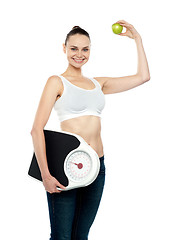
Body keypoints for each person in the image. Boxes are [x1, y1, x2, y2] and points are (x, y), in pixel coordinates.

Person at [30, 20, 150, 240]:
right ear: (64, 48)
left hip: (97, 167)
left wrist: (137, 40)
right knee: (62, 237)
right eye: (74, 48)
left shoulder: (98, 84)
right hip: (67, 166)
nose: (80, 54)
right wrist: (46, 175)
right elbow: (37, 129)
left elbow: (143, 77)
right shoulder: (56, 82)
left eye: (85, 49)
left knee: (81, 236)